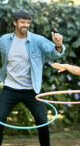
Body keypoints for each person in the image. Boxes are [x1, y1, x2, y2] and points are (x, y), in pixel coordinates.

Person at [0, 9, 65, 146]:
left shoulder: (37, 40)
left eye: (28, 22)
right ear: (15, 23)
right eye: (23, 22)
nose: (26, 25)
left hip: (31, 90)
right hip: (10, 88)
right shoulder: (4, 40)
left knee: (42, 122)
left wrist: (58, 45)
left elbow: (55, 54)